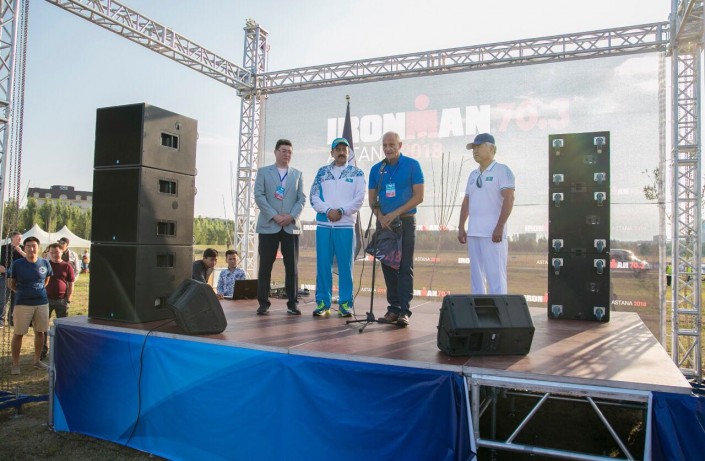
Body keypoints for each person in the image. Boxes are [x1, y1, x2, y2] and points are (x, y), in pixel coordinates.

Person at [368, 131, 424, 327]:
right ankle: (393, 309)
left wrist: (395, 213)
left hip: (406, 222)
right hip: (385, 224)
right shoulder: (377, 169)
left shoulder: (412, 165)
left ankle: (404, 311)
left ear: (400, 145)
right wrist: (381, 217)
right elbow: (372, 200)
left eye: (392, 144)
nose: (388, 148)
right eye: (385, 145)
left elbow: (419, 196)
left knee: (405, 266)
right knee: (388, 266)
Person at [310, 137, 366, 317]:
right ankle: (323, 303)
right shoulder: (322, 172)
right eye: (338, 149)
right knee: (323, 265)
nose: (341, 152)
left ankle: (345, 304)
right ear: (332, 152)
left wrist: (341, 211)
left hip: (345, 226)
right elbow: (313, 196)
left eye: (344, 149)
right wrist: (328, 211)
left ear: (348, 152)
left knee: (345, 266)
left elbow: (359, 198)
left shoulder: (357, 173)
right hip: (324, 225)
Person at [457, 133, 515, 294]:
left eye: (479, 146)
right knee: (476, 278)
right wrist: (461, 227)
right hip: (474, 232)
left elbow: (509, 198)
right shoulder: (473, 174)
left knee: (496, 277)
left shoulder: (502, 170)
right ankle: (479, 306)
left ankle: (499, 308)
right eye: (473, 148)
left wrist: (500, 226)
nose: (475, 151)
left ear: (492, 149)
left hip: (493, 234)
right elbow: (466, 202)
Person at [254, 139, 306, 315]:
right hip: (269, 225)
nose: (287, 154)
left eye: (289, 151)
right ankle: (263, 303)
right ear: (275, 152)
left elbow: (301, 199)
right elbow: (259, 196)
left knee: (292, 267)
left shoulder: (297, 174)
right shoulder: (263, 172)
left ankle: (292, 303)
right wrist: (274, 216)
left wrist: (291, 216)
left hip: (291, 226)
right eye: (283, 151)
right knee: (265, 266)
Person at [8, 236, 53, 374]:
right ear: (24, 247)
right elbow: (11, 283)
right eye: (28, 246)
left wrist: (37, 291)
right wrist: (22, 292)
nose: (31, 248)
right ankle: (15, 364)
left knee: (40, 332)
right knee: (18, 333)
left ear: (38, 248)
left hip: (42, 303)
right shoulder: (17, 264)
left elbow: (46, 280)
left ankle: (37, 360)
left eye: (34, 246)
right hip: (22, 304)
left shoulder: (45, 263)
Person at [41, 242, 75, 360]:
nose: (55, 254)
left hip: (62, 301)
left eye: (57, 252)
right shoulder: (45, 265)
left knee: (62, 327)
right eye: (52, 253)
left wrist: (69, 298)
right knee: (43, 327)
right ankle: (42, 350)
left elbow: (71, 283)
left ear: (62, 252)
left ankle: (61, 349)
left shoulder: (67, 266)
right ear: (49, 253)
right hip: (45, 300)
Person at [0, 231, 25, 328]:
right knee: (3, 299)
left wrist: (20, 251)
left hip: (18, 278)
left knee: (15, 299)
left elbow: (29, 258)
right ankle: (1, 320)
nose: (20, 240)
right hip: (5, 277)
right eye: (18, 238)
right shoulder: (4, 248)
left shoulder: (22, 248)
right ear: (12, 238)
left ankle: (11, 319)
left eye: (21, 238)